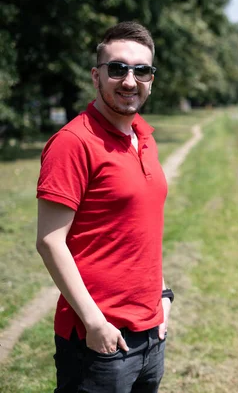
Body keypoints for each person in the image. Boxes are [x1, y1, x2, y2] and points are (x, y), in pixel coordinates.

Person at [36, 21, 173, 393]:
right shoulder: (73, 142)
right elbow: (50, 241)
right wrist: (95, 322)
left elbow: (140, 228)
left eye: (141, 70)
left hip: (151, 335)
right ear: (97, 76)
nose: (130, 80)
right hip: (98, 340)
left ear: (151, 79)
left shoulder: (143, 135)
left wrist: (163, 295)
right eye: (118, 69)